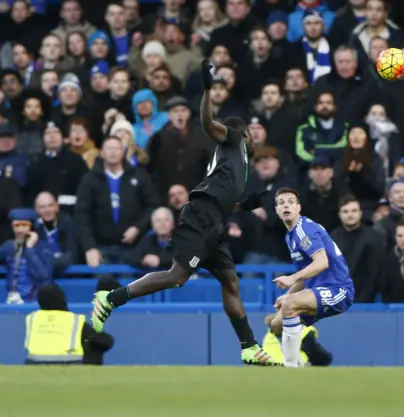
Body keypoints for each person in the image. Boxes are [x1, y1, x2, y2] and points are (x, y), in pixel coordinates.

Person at [90, 60, 278, 366]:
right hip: (202, 214)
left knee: (230, 282)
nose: (256, 138)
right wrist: (207, 89)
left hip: (215, 217)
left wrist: (246, 205)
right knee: (178, 276)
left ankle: (248, 347)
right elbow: (207, 123)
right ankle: (110, 299)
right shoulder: (233, 137)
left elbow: (223, 200)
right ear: (244, 133)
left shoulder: (236, 165)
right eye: (252, 133)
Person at [269, 187, 355, 367]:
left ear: (299, 208)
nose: (286, 206)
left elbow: (322, 262)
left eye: (291, 202)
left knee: (290, 306)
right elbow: (305, 274)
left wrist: (291, 279)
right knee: (276, 324)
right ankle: (298, 364)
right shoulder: (290, 236)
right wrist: (289, 293)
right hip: (318, 289)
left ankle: (290, 367)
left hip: (338, 289)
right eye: (281, 203)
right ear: (276, 210)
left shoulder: (305, 230)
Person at [25, 283, 113, 365]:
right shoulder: (73, 319)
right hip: (68, 362)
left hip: (35, 362)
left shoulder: (32, 318)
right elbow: (106, 340)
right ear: (62, 299)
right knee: (93, 345)